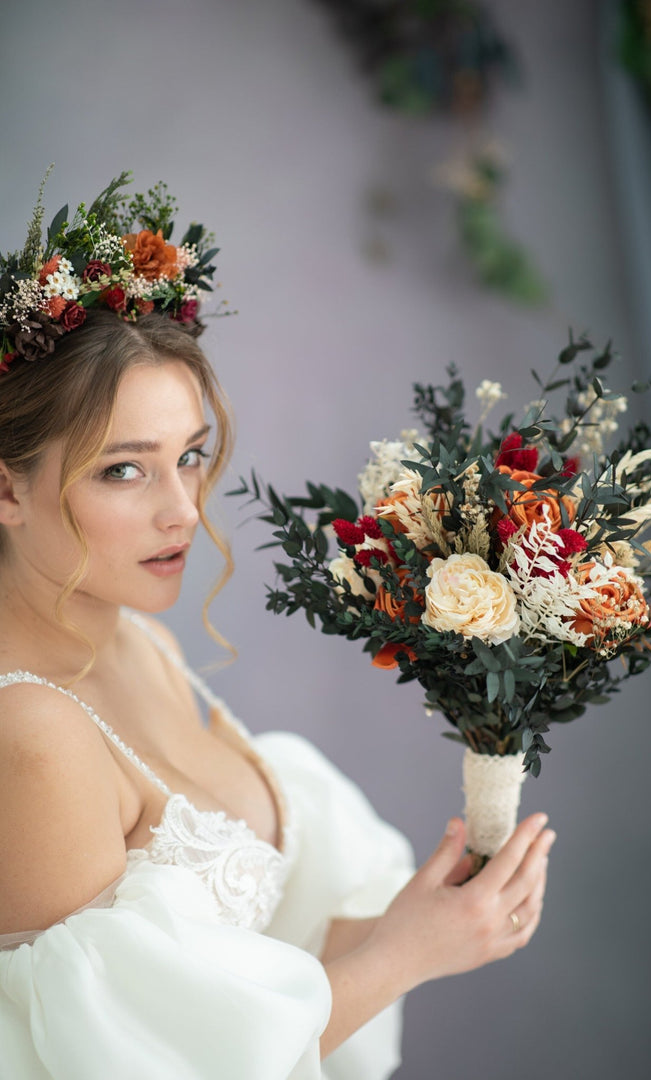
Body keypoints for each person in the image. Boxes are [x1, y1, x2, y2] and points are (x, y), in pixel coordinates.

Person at [0, 178, 555, 1080]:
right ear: (6, 489)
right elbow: (131, 1058)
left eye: (188, 456)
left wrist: (442, 917)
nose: (183, 510)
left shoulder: (142, 646)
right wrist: (403, 957)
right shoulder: (29, 736)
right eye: (122, 472)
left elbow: (243, 955)